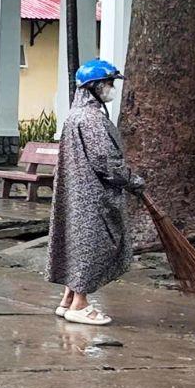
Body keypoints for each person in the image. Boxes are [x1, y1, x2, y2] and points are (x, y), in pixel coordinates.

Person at [46, 60, 142, 326]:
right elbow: (106, 161)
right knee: (95, 246)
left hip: (77, 193)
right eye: (109, 83)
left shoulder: (75, 116)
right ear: (96, 87)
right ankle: (80, 304)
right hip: (95, 196)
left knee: (78, 243)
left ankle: (68, 298)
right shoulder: (92, 120)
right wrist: (132, 181)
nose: (112, 88)